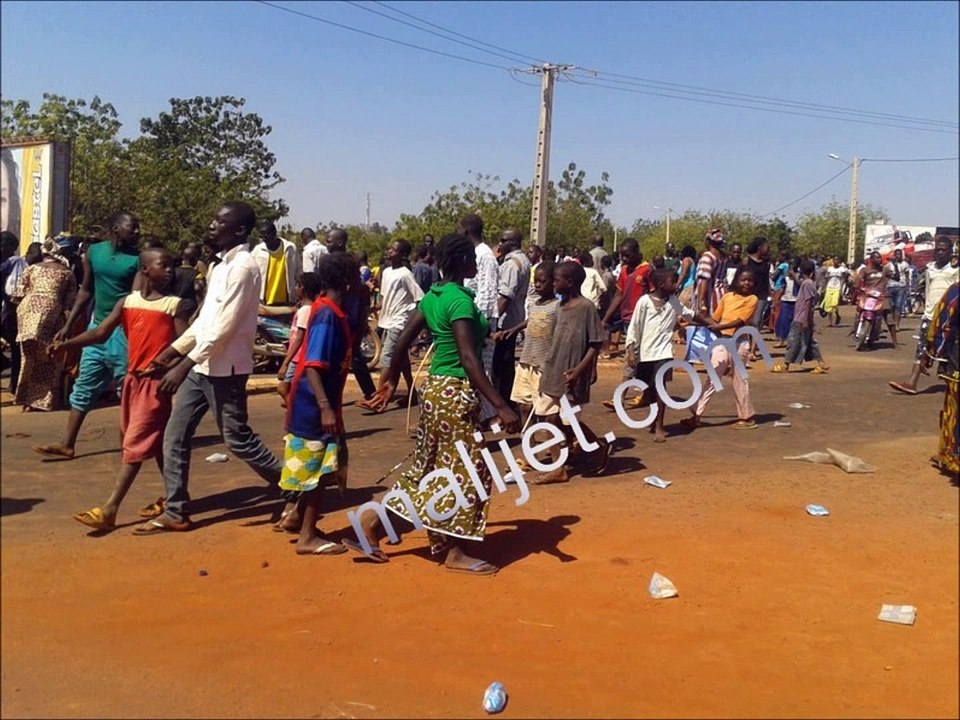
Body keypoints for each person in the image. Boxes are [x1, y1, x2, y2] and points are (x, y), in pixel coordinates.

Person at [346, 233, 521, 574]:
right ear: (462, 262)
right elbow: (469, 360)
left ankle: (374, 529)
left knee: (429, 470)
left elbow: (400, 345)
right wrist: (501, 405)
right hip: (456, 392)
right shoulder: (458, 301)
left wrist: (390, 380)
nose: (476, 262)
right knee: (468, 473)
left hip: (435, 392)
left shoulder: (433, 298)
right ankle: (454, 551)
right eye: (471, 257)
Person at [132, 202, 293, 534]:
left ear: (238, 231)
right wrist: (171, 353)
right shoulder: (220, 267)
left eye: (220, 221)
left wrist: (182, 365)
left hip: (227, 368)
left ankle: (296, 486)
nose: (211, 225)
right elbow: (205, 321)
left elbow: (224, 327)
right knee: (175, 436)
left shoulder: (243, 268)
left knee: (236, 439)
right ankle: (176, 510)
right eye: (213, 219)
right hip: (201, 365)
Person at [50, 249, 190, 530]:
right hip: (132, 382)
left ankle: (110, 509)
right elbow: (101, 332)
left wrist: (171, 368)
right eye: (164, 265)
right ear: (145, 270)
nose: (170, 271)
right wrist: (69, 343)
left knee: (135, 444)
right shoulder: (127, 302)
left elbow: (186, 342)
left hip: (156, 385)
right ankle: (176, 499)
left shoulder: (174, 306)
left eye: (172, 266)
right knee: (160, 445)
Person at [33, 212, 141, 459]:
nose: (137, 232)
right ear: (115, 228)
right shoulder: (93, 254)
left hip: (123, 332)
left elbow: (132, 300)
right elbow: (85, 291)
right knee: (83, 386)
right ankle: (67, 444)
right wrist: (69, 325)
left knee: (128, 388)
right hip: (97, 326)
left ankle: (133, 443)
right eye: (132, 227)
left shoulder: (138, 260)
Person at [278, 253, 356, 556]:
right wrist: (325, 407)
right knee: (318, 469)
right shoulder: (325, 314)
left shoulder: (333, 311)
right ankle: (307, 536)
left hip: (320, 403)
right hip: (313, 405)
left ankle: (298, 517)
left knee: (320, 465)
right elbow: (313, 364)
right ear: (348, 281)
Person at [533, 261, 609, 484]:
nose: (554, 283)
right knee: (548, 417)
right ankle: (559, 467)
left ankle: (597, 447)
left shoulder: (586, 308)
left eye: (557, 280)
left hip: (572, 375)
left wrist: (581, 370)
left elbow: (595, 343)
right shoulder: (559, 307)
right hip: (553, 371)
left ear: (570, 282)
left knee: (569, 422)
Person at [624, 267, 712, 443]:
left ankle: (659, 426)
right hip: (645, 353)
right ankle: (654, 418)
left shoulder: (673, 302)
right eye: (674, 281)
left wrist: (710, 324)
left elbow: (690, 315)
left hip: (663, 353)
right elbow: (634, 327)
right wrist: (630, 351)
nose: (677, 284)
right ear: (661, 284)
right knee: (648, 390)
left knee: (661, 390)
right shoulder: (645, 302)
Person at [682, 268, 759, 431]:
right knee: (712, 377)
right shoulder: (727, 297)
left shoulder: (752, 299)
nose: (746, 283)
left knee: (739, 380)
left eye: (750, 281)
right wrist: (692, 322)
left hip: (740, 343)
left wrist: (720, 326)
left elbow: (740, 321)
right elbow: (714, 319)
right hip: (722, 342)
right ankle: (696, 415)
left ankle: (746, 416)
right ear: (736, 280)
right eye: (743, 280)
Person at [498, 261, 558, 467]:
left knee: (547, 414)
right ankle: (529, 452)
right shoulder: (535, 304)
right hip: (526, 361)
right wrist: (513, 330)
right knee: (524, 407)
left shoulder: (558, 307)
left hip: (544, 365)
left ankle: (556, 455)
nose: (537, 285)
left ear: (554, 283)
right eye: (536, 282)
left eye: (542, 281)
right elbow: (531, 320)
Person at [10, 239, 77, 411]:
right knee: (49, 357)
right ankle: (43, 400)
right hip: (52, 315)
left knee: (28, 358)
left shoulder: (32, 268)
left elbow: (17, 295)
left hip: (27, 314)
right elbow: (70, 303)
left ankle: (24, 399)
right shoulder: (67, 272)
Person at [889, 236, 959, 395]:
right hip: (929, 316)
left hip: (949, 318)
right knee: (922, 348)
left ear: (950, 251)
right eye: (938, 250)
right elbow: (928, 290)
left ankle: (952, 386)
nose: (940, 253)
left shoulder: (956, 269)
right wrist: (927, 311)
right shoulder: (930, 269)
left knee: (950, 351)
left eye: (943, 250)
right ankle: (912, 383)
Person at [359, 238, 423, 408]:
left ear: (402, 254)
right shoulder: (386, 272)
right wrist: (371, 310)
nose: (389, 251)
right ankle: (412, 393)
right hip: (387, 321)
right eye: (389, 249)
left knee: (387, 357)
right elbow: (385, 300)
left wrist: (414, 322)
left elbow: (420, 298)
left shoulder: (405, 274)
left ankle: (379, 398)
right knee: (401, 360)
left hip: (399, 322)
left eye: (393, 250)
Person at [600, 239, 650, 404]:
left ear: (637, 253)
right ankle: (648, 394)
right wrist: (606, 318)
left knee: (632, 358)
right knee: (639, 358)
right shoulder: (623, 271)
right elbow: (618, 295)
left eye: (627, 255)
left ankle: (619, 397)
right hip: (627, 319)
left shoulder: (646, 270)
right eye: (622, 255)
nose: (624, 258)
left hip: (643, 321)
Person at [924, 281, 958, 476]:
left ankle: (953, 455)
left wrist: (936, 353)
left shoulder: (956, 291)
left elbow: (944, 324)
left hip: (957, 360)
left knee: (955, 409)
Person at [493, 229, 530, 407]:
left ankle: (503, 404)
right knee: (505, 363)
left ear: (512, 243)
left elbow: (505, 297)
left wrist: (492, 319)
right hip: (515, 318)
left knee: (501, 366)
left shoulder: (512, 264)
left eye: (503, 240)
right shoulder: (522, 261)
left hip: (505, 322)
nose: (499, 244)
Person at [772, 259, 830, 374]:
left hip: (801, 318)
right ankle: (821, 363)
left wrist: (805, 320)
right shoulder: (809, 283)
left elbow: (808, 302)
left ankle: (786, 364)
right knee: (810, 342)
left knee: (793, 341)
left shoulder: (806, 284)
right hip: (805, 317)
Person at [277, 272, 322, 407]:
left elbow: (299, 338)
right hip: (301, 357)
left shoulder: (305, 311)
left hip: (297, 358)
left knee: (283, 387)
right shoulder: (310, 308)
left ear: (303, 288)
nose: (295, 288)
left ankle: (293, 411)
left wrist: (285, 362)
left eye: (297, 285)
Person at [251, 220, 300, 306]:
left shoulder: (290, 248)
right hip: (263, 302)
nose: (263, 239)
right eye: (261, 237)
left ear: (274, 234)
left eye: (265, 236)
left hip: (287, 302)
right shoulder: (258, 251)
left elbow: (298, 271)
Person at [1, 231, 26, 392]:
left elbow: (12, 289)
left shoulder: (15, 262)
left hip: (9, 310)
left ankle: (14, 383)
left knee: (16, 349)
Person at [774, 258, 799, 348]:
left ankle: (791, 341)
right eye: (790, 265)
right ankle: (781, 340)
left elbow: (799, 285)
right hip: (786, 300)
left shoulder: (800, 276)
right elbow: (782, 287)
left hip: (796, 301)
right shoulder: (785, 277)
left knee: (794, 322)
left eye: (794, 264)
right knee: (783, 321)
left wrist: (794, 276)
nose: (792, 267)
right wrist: (777, 298)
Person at [884, 248, 909, 330]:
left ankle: (897, 325)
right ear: (894, 255)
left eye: (900, 254)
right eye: (897, 254)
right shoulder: (888, 265)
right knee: (891, 307)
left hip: (901, 287)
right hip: (890, 286)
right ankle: (892, 324)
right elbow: (885, 276)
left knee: (898, 306)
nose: (898, 256)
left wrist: (907, 286)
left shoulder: (905, 264)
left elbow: (907, 276)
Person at [769, 249, 791, 334]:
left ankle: (776, 327)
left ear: (784, 257)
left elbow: (774, 277)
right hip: (780, 287)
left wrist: (769, 274)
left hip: (778, 287)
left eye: (780, 256)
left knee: (776, 307)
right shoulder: (787, 265)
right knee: (776, 307)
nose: (779, 258)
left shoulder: (782, 266)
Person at [821, 256, 848, 327]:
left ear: (839, 261)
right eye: (834, 260)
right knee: (828, 305)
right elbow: (826, 278)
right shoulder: (830, 269)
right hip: (829, 287)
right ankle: (830, 322)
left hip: (837, 287)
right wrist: (824, 288)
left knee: (835, 303)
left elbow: (845, 278)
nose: (836, 261)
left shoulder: (842, 269)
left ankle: (837, 315)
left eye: (837, 260)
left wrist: (843, 286)